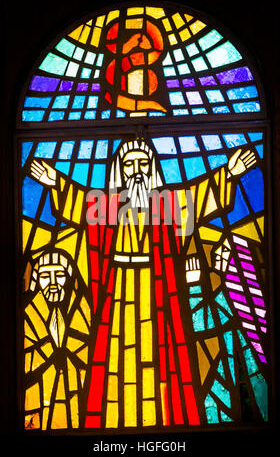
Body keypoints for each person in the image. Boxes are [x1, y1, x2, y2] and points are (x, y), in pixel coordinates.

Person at [29, 138, 258, 429]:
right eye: (129, 165)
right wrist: (55, 183)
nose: (136, 171)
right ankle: (113, 423)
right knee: (114, 363)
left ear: (152, 169)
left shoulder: (168, 206)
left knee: (164, 362)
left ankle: (165, 421)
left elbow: (198, 200)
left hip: (158, 293)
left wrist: (229, 173)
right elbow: (78, 202)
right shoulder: (107, 207)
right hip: (118, 298)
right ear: (119, 171)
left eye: (142, 164)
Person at [24, 250, 92, 430]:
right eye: (45, 276)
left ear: (70, 277)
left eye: (59, 275)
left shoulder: (82, 309)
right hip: (39, 397)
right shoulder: (29, 314)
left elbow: (92, 353)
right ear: (36, 280)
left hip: (77, 392)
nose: (53, 283)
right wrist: (50, 350)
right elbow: (25, 361)